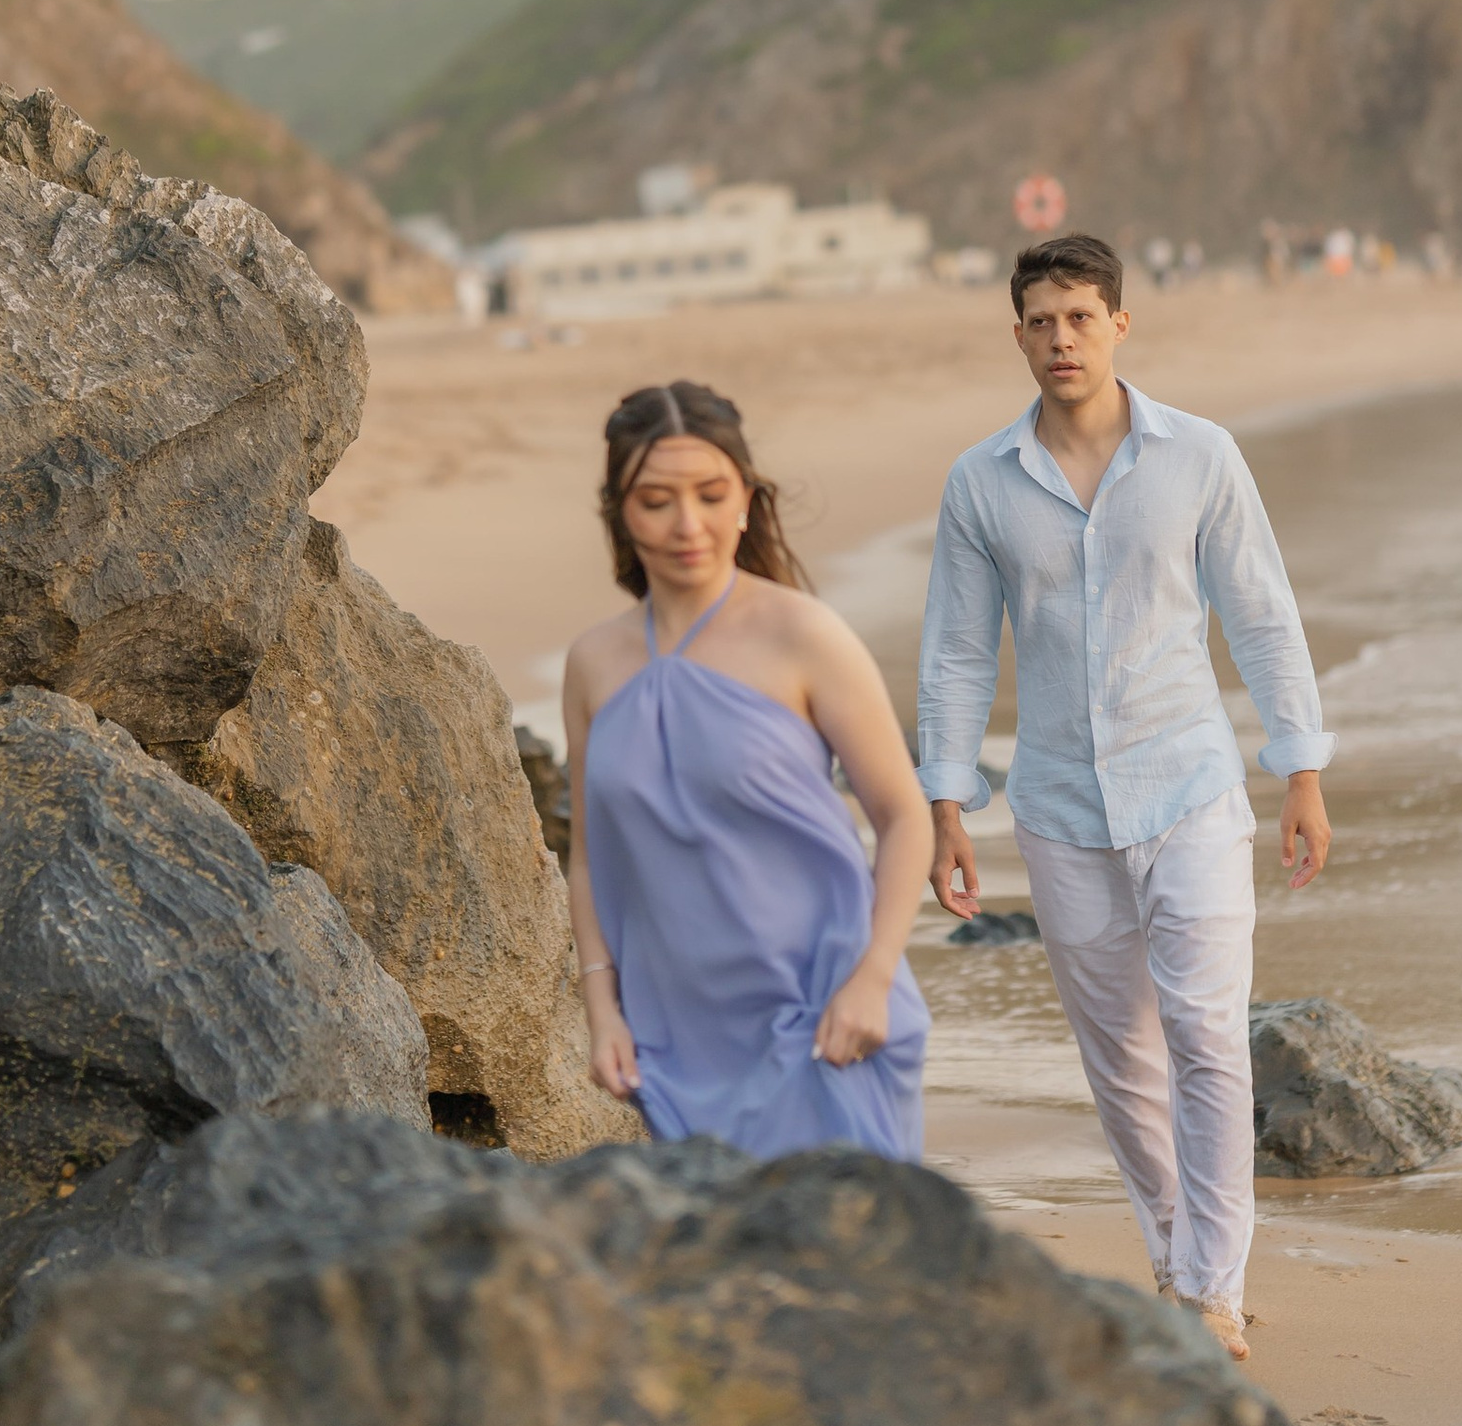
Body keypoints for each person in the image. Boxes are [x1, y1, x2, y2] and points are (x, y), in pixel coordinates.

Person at [918, 236, 1332, 1358]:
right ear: (1017, 334)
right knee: (1121, 1060)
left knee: (1206, 1035)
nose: (1061, 339)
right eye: (1041, 321)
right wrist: (947, 805)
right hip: (1057, 809)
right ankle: (1172, 1258)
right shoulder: (980, 483)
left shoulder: (1199, 456)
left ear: (1118, 326)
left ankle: (1213, 1287)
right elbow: (958, 652)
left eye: (1080, 318)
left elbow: (1261, 614)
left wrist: (1299, 771)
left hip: (1191, 787)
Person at [564, 381, 931, 1158]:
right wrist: (604, 1012)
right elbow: (591, 856)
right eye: (656, 500)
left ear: (745, 499)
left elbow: (904, 815)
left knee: (843, 1270)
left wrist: (873, 978)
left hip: (825, 1021)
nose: (686, 524)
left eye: (710, 493)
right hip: (676, 1045)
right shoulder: (594, 663)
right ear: (620, 515)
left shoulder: (805, 635)